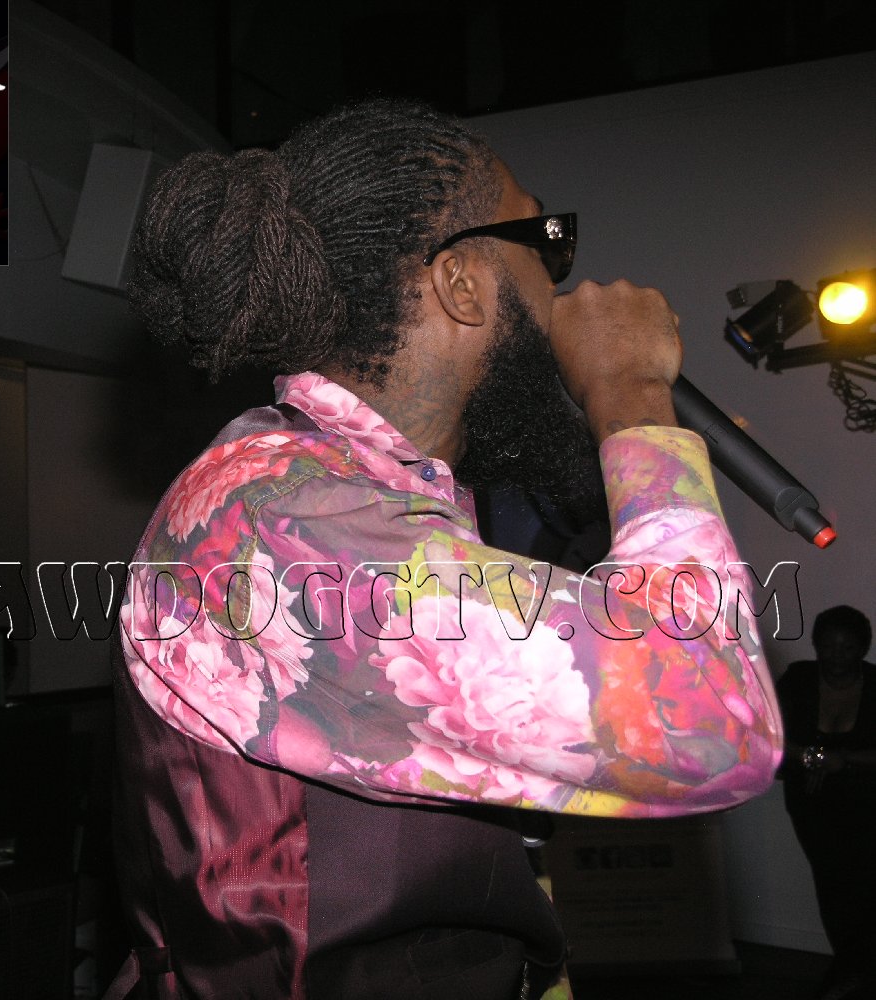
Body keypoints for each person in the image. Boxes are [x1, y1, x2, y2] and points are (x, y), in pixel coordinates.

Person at [110, 98, 784, 1000]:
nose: (564, 285)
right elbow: (710, 727)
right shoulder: (283, 517)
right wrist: (629, 395)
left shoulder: (367, 497)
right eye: (544, 240)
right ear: (461, 282)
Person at [777, 605, 876, 999]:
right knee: (833, 886)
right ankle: (852, 970)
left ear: (863, 649)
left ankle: (853, 971)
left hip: (867, 801)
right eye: (828, 646)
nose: (836, 656)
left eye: (847, 648)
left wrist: (843, 760)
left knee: (865, 886)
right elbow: (766, 733)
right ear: (816, 645)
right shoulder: (798, 679)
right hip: (813, 801)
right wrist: (811, 757)